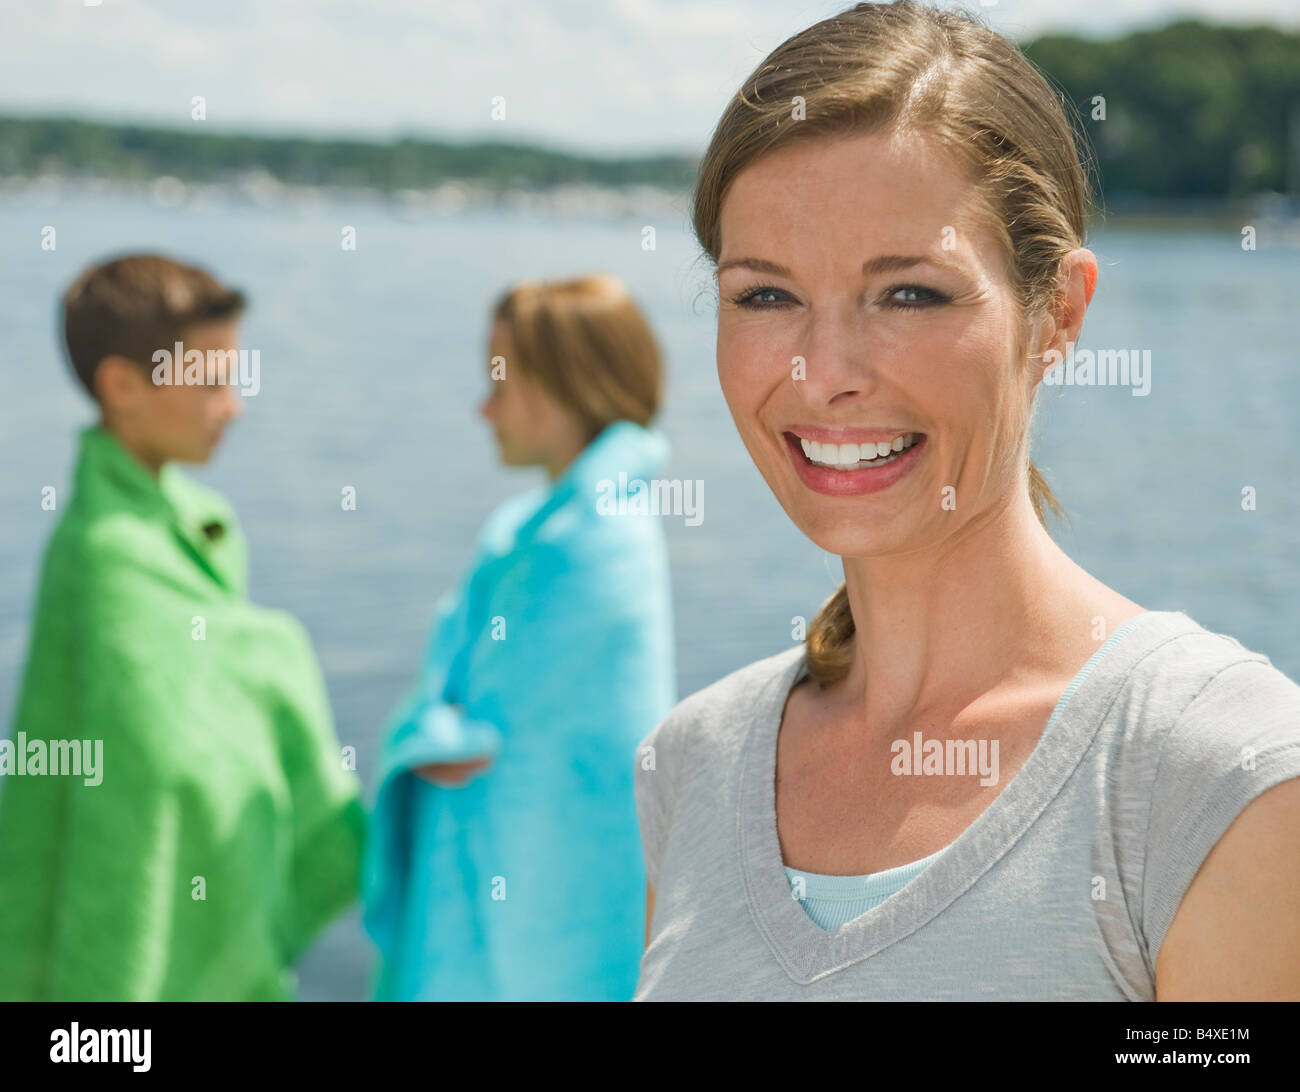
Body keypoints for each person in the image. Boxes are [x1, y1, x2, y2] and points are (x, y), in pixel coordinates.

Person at [634, 1, 1300, 1001]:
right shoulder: (695, 763)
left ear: (1058, 315)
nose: (822, 376)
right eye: (765, 296)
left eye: (909, 294)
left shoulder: (1213, 778)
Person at [0, 254, 365, 1001]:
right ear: (122, 386)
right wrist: (275, 653)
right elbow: (139, 786)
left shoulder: (197, 527)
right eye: (209, 383)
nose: (232, 406)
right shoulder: (103, 554)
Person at [363, 274, 677, 1001]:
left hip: (536, 917)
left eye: (501, 380)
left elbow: (512, 761)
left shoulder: (593, 544)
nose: (484, 405)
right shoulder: (540, 527)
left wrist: (426, 738)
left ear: (569, 386)